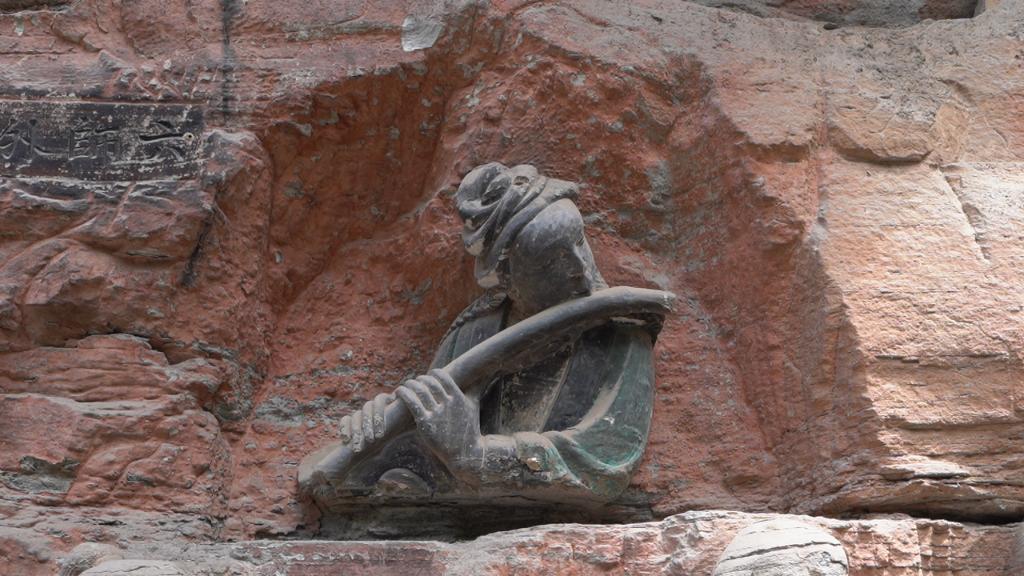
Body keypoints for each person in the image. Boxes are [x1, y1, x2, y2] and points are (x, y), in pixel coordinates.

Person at [327, 163, 658, 505]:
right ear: (509, 278)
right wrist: (389, 431)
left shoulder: (623, 331)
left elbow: (607, 458)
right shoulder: (473, 333)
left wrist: (479, 456)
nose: (580, 268)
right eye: (550, 262)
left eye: (578, 241)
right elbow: (430, 452)